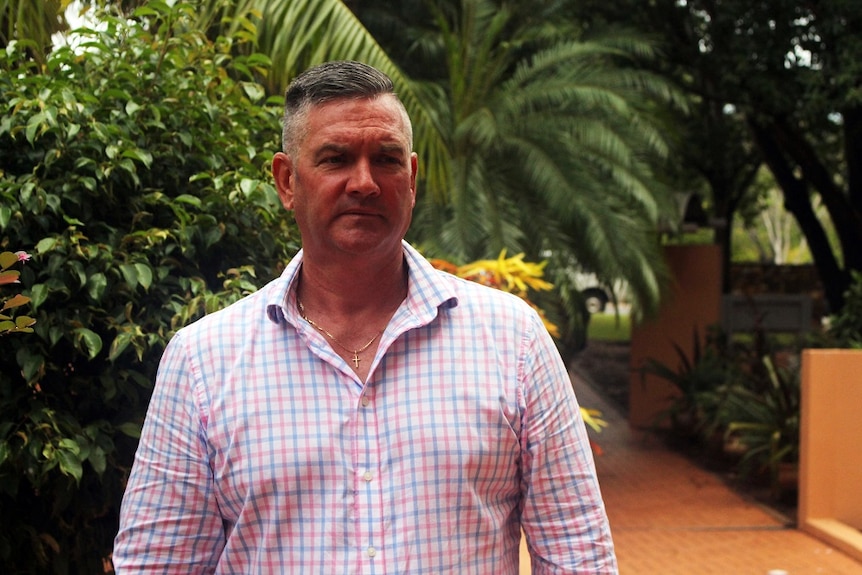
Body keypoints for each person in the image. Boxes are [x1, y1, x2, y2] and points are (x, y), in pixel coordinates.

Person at [113, 60, 617, 574]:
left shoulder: (513, 342)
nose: (365, 182)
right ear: (287, 181)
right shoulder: (203, 362)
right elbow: (158, 564)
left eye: (387, 159)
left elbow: (578, 553)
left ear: (413, 178)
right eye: (335, 159)